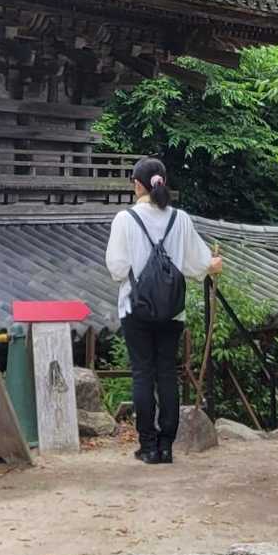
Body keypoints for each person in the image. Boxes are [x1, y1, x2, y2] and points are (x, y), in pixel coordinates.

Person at [105, 156, 222, 464]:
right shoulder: (180, 219)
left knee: (142, 373)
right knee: (167, 372)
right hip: (172, 310)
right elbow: (198, 264)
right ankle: (167, 445)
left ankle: (148, 446)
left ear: (137, 185)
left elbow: (117, 269)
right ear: (163, 183)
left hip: (136, 308)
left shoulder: (125, 219)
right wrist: (213, 265)